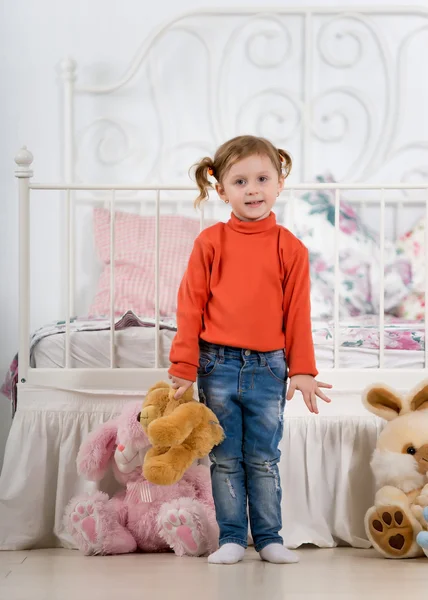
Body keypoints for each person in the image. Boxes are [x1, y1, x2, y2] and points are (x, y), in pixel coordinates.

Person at [168, 135, 332, 564]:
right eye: (240, 181)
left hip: (269, 368)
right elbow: (191, 305)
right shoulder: (210, 242)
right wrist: (183, 365)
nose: (253, 189)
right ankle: (231, 539)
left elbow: (297, 313)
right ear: (221, 189)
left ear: (279, 182)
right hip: (216, 364)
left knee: (262, 458)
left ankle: (269, 537)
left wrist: (304, 370)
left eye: (262, 178)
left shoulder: (290, 247)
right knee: (225, 458)